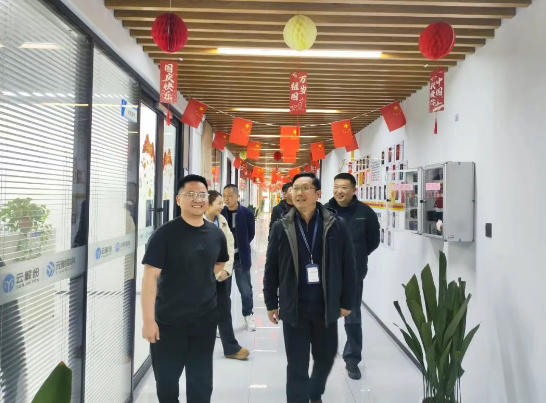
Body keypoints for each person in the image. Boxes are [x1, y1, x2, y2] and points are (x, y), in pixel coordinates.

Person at [264, 172, 356, 403]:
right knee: (297, 364)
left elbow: (349, 266)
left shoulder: (336, 225)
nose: (299, 193)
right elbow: (271, 267)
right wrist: (270, 302)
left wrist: (346, 301)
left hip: (326, 306)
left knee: (325, 358)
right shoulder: (281, 227)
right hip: (294, 307)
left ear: (318, 194)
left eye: (305, 188)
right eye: (295, 188)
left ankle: (314, 392)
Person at [141, 175, 229, 403]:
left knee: (201, 384)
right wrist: (148, 321)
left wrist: (200, 277)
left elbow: (220, 262)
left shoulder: (216, 234)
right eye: (191, 194)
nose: (197, 199)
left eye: (202, 195)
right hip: (168, 323)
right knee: (167, 384)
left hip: (204, 322)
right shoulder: (164, 235)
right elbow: (150, 279)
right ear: (179, 199)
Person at [325, 172, 380, 380]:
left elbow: (373, 241)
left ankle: (352, 359)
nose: (339, 191)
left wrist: (356, 257)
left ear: (354, 190)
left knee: (353, 316)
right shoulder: (323, 211)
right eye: (336, 187)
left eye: (344, 187)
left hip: (353, 275)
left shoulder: (365, 213)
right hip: (327, 273)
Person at [204, 190, 250, 360]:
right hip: (201, 278)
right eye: (219, 203)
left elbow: (229, 247)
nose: (221, 206)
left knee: (224, 310)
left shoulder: (221, 220)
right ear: (208, 204)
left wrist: (226, 270)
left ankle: (231, 348)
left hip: (220, 275)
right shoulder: (197, 221)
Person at [221, 184, 256, 332]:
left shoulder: (247, 213)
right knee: (224, 292)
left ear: (237, 196)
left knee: (246, 290)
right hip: (224, 259)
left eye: (230, 195)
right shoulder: (220, 213)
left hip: (241, 257)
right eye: (224, 196)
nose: (227, 199)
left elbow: (251, 234)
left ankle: (248, 315)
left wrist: (241, 246)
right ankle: (224, 320)